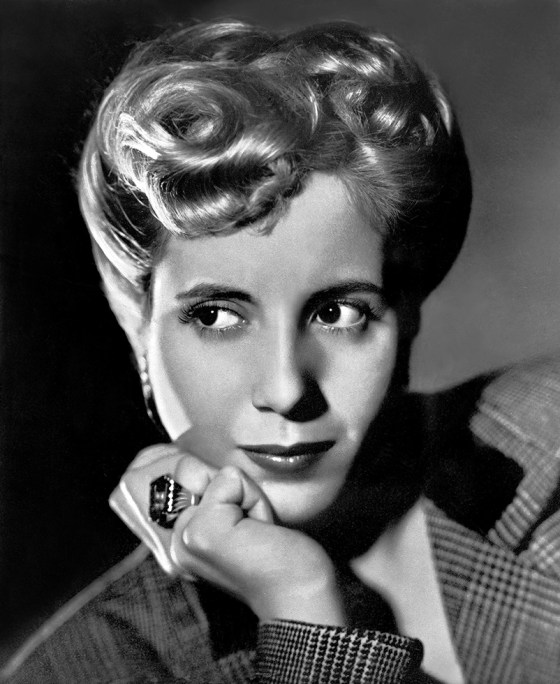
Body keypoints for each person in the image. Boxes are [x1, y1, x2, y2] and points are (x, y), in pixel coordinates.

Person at [3, 18, 560, 684]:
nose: (287, 388)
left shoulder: (548, 452)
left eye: (337, 312)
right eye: (216, 316)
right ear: (137, 327)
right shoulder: (91, 668)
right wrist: (299, 602)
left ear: (406, 309)